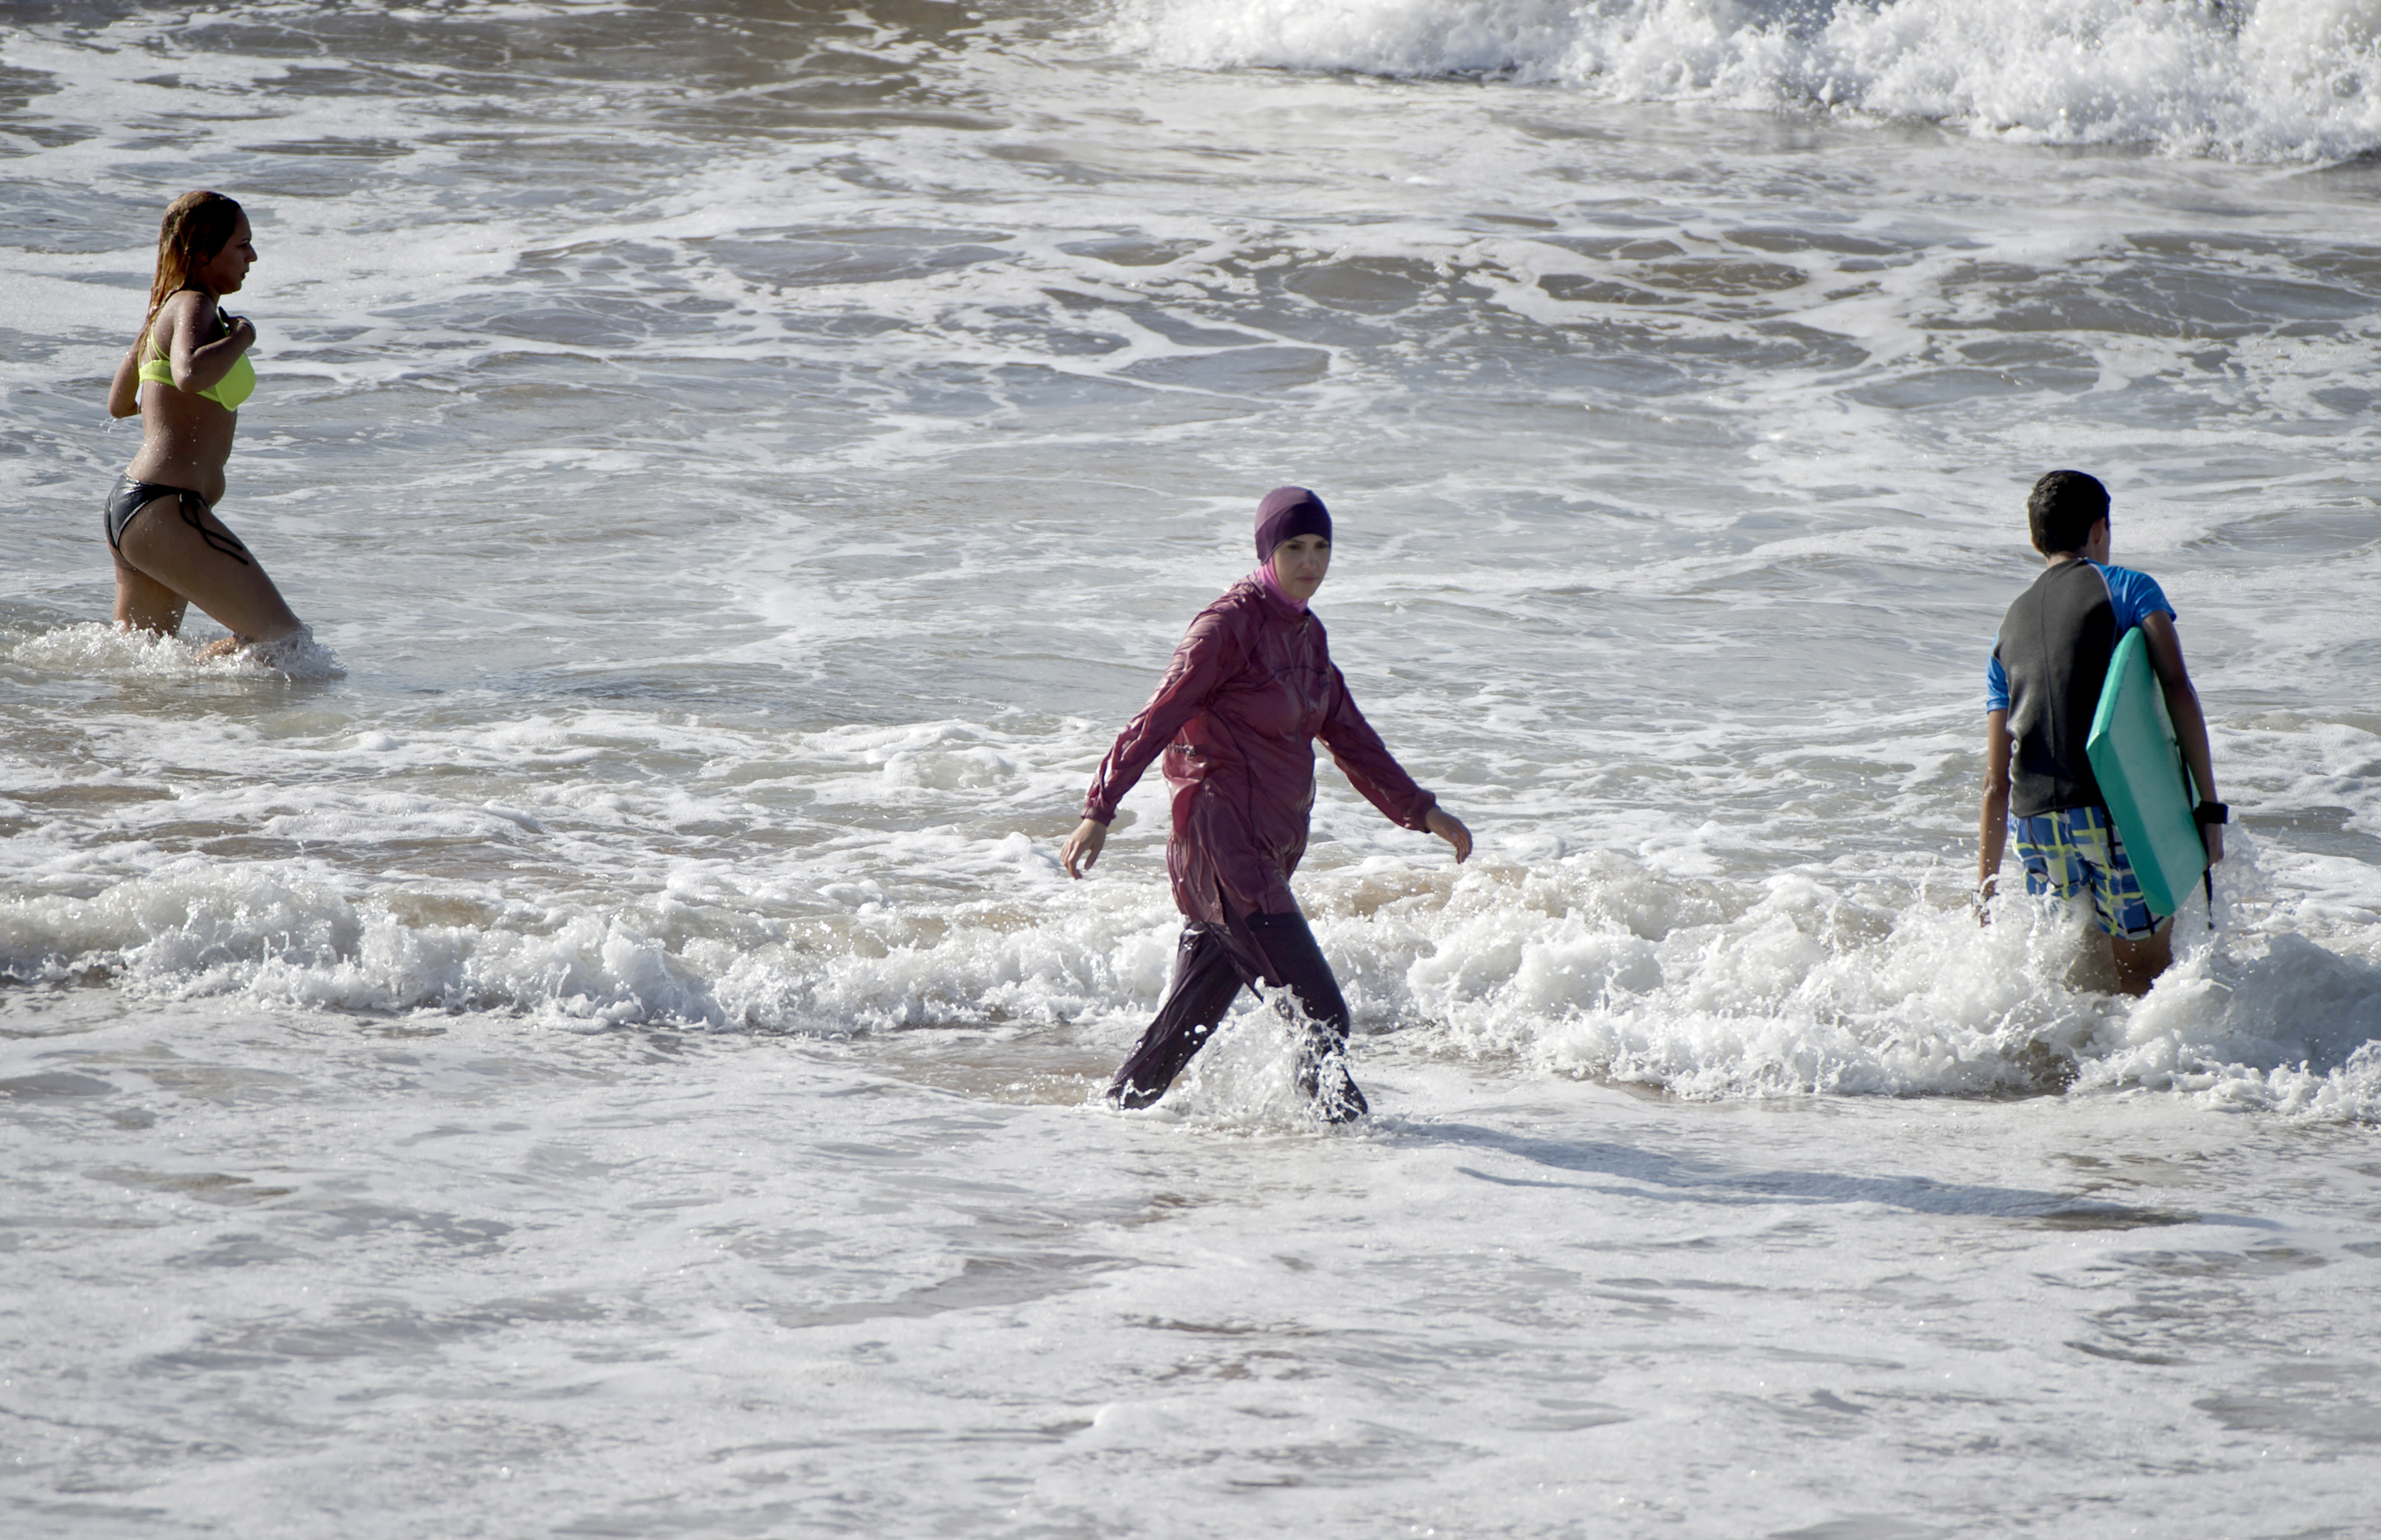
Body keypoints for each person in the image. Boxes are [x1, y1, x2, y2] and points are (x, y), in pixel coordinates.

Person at [1060, 486, 1473, 1119]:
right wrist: (1100, 808)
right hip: (1224, 849)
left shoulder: (1306, 637)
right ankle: (1348, 1154)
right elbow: (1156, 718)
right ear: (1266, 551)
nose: (1310, 562)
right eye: (1293, 548)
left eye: (1321, 548)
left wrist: (1421, 811)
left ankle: (1110, 1125)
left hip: (1267, 851)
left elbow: (1350, 737)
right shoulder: (1225, 629)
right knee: (1322, 1015)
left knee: (1185, 1028)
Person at [1976, 470, 2224, 995]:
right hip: (2111, 805)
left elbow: (1994, 781)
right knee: (2144, 970)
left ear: (2035, 538)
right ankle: (2140, 1075)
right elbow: (2176, 687)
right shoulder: (2130, 588)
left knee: (2073, 961)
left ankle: (2066, 1065)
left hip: (2034, 822)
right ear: (2098, 530)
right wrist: (2209, 808)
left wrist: (1986, 887)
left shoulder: (2006, 629)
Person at [102, 190, 305, 657]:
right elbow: (190, 374)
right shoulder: (194, 304)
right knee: (285, 642)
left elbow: (118, 403)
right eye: (242, 245)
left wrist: (169, 412)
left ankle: (193, 730)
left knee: (146, 672)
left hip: (139, 509)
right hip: (167, 510)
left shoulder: (162, 312)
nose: (252, 256)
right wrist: (244, 338)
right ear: (202, 252)